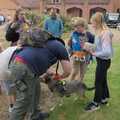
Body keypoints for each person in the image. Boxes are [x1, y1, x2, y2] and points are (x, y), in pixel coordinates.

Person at [8, 28, 72, 120]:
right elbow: (68, 71)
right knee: (23, 101)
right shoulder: (60, 47)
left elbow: (39, 61)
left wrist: (51, 73)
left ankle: (35, 115)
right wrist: (60, 77)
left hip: (18, 64)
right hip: (24, 68)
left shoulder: (41, 44)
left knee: (36, 89)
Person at [85, 12, 113, 112]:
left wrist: (94, 53)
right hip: (102, 61)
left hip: (104, 61)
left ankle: (96, 103)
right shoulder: (100, 31)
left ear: (97, 22)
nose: (91, 24)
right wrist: (89, 45)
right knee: (103, 80)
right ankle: (104, 99)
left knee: (98, 82)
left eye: (92, 22)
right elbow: (99, 46)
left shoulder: (104, 33)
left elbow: (107, 51)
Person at [68, 17, 94, 83]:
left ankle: (78, 86)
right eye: (76, 27)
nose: (77, 29)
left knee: (82, 73)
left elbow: (94, 45)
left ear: (83, 27)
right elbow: (70, 44)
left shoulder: (89, 35)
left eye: (78, 27)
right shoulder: (73, 34)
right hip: (76, 56)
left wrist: (90, 53)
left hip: (85, 57)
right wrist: (70, 52)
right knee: (75, 72)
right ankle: (69, 85)